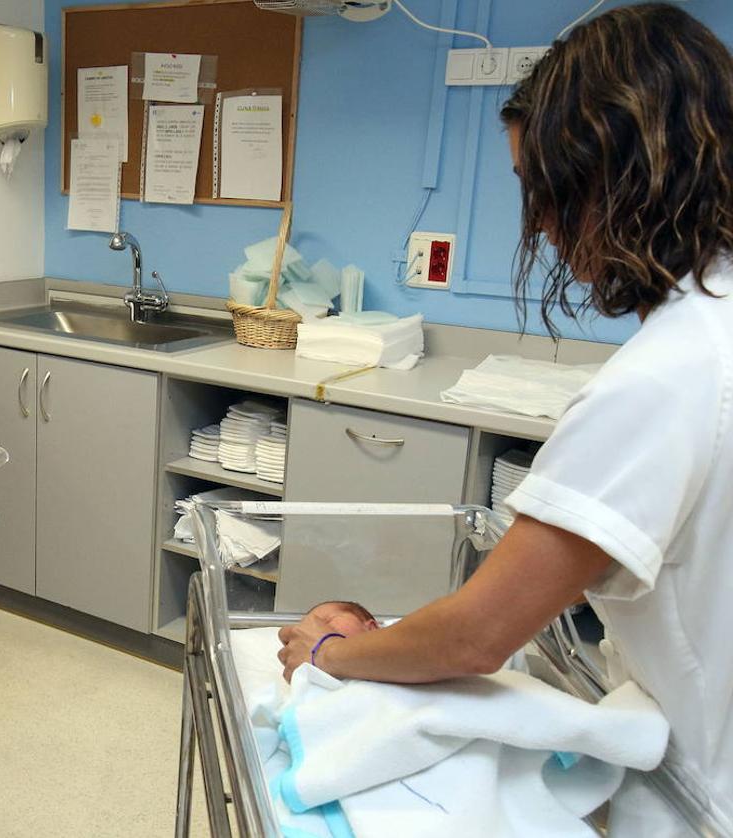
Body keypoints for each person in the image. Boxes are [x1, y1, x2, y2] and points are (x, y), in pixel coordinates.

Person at [278, 4, 733, 830]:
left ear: (614, 176)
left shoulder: (668, 376)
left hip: (698, 790)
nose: (547, 231)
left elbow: (473, 639)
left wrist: (329, 652)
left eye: (543, 192)